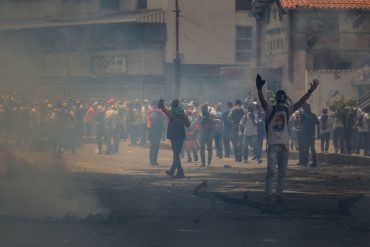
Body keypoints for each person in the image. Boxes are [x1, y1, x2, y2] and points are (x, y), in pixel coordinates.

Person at [256, 74, 319, 204]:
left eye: (280, 100)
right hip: (276, 145)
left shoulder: (285, 110)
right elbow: (300, 101)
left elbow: (301, 102)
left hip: (282, 146)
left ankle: (277, 195)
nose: (280, 102)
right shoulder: (273, 109)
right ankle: (271, 194)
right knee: (273, 172)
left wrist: (310, 91)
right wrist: (259, 90)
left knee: (278, 173)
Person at [159, 99, 190, 178]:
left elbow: (163, 109)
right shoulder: (182, 113)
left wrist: (161, 103)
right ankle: (172, 171)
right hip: (181, 135)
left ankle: (180, 172)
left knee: (176, 154)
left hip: (174, 135)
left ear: (172, 105)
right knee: (176, 153)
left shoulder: (171, 112)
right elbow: (188, 124)